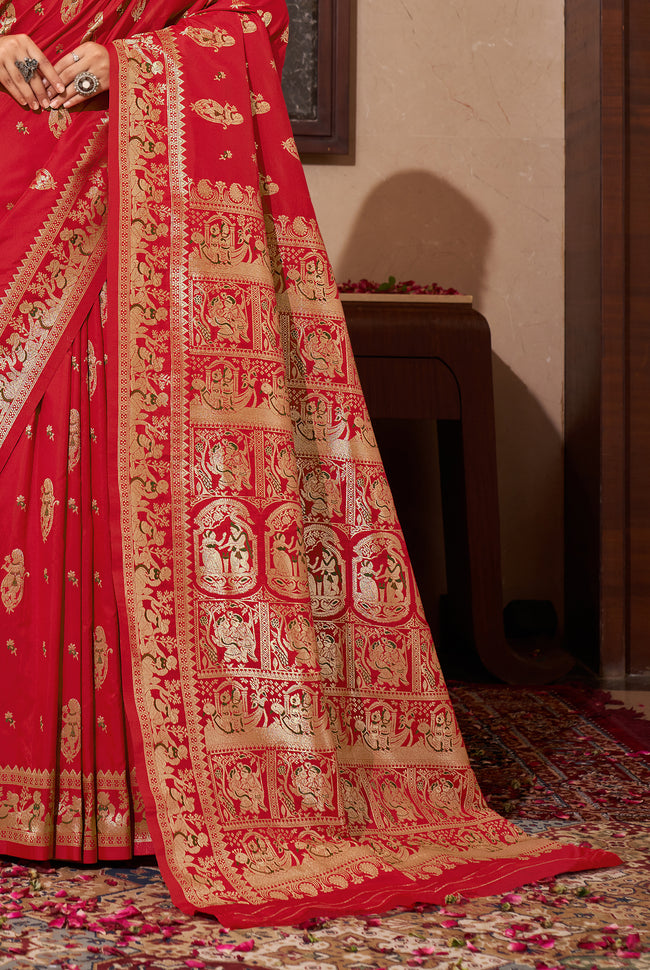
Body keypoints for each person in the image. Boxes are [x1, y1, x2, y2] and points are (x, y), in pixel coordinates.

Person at [0, 0, 619, 928]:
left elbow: (255, 22)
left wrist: (125, 65)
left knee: (132, 446)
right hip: (21, 158)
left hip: (134, 179)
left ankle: (144, 796)